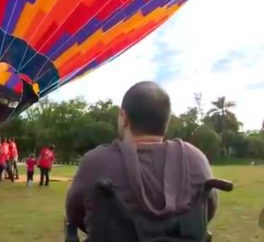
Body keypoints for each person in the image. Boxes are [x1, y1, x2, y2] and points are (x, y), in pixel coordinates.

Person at [65, 81, 217, 236]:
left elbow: (75, 214)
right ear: (166, 120)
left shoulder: (95, 162)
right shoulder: (196, 159)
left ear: (124, 118)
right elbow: (206, 212)